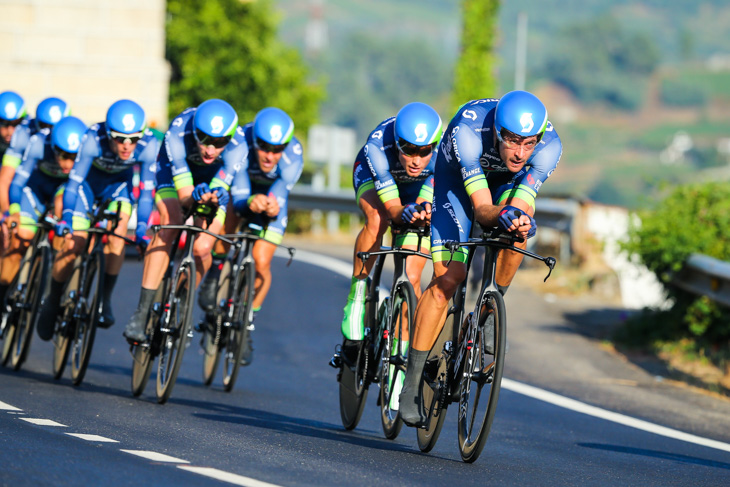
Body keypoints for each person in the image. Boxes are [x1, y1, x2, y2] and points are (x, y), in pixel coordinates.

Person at [397, 90, 563, 426]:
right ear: (498, 133)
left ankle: (491, 306)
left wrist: (519, 219)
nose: (520, 153)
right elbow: (483, 210)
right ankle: (411, 382)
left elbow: (522, 197)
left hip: (506, 185)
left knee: (517, 226)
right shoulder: (469, 134)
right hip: (459, 184)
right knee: (449, 280)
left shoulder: (550, 147)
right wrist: (498, 214)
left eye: (528, 144)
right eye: (513, 141)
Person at [334, 102, 442, 406]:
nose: (417, 159)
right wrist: (403, 212)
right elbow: (394, 209)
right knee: (379, 220)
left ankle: (399, 368)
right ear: (396, 143)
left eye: (425, 151)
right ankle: (358, 293)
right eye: (408, 150)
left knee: (412, 276)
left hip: (415, 192)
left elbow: (428, 198)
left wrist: (422, 210)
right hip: (376, 179)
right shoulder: (378, 146)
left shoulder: (443, 155)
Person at [123, 98, 246, 343]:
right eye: (205, 139)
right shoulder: (178, 130)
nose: (210, 149)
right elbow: (186, 198)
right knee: (171, 224)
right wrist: (197, 196)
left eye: (219, 143)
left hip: (210, 182)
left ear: (229, 138)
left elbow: (219, 189)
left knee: (202, 247)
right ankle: (142, 312)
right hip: (173, 174)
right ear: (195, 132)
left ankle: (180, 298)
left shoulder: (239, 145)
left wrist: (215, 196)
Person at [35, 100, 159, 340]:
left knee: (118, 234)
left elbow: (145, 194)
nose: (126, 145)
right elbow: (73, 184)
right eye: (120, 138)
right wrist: (68, 218)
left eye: (133, 139)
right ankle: (53, 299)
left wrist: (143, 230)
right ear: (108, 133)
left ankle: (104, 299)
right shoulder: (93, 138)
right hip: (87, 187)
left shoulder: (149, 144)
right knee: (76, 243)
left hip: (118, 188)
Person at [199, 107, 303, 365]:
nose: (270, 155)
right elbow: (240, 191)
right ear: (254, 141)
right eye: (264, 147)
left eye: (277, 149)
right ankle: (216, 273)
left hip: (271, 200)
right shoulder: (241, 143)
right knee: (231, 216)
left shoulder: (294, 156)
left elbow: (281, 192)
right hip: (242, 192)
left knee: (261, 260)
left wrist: (271, 206)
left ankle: (247, 322)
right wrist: (250, 202)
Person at [0, 116, 87, 307]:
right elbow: (17, 183)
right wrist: (13, 211)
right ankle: (2, 293)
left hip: (62, 189)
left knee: (61, 204)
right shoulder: (38, 142)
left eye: (74, 157)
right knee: (20, 238)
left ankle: (54, 266)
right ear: (54, 147)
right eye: (63, 155)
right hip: (36, 189)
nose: (68, 163)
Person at [1, 96, 70, 214]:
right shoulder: (24, 134)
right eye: (44, 126)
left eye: (55, 127)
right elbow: (5, 179)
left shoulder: (76, 139)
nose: (49, 132)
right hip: (37, 184)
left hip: (63, 185)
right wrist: (8, 214)